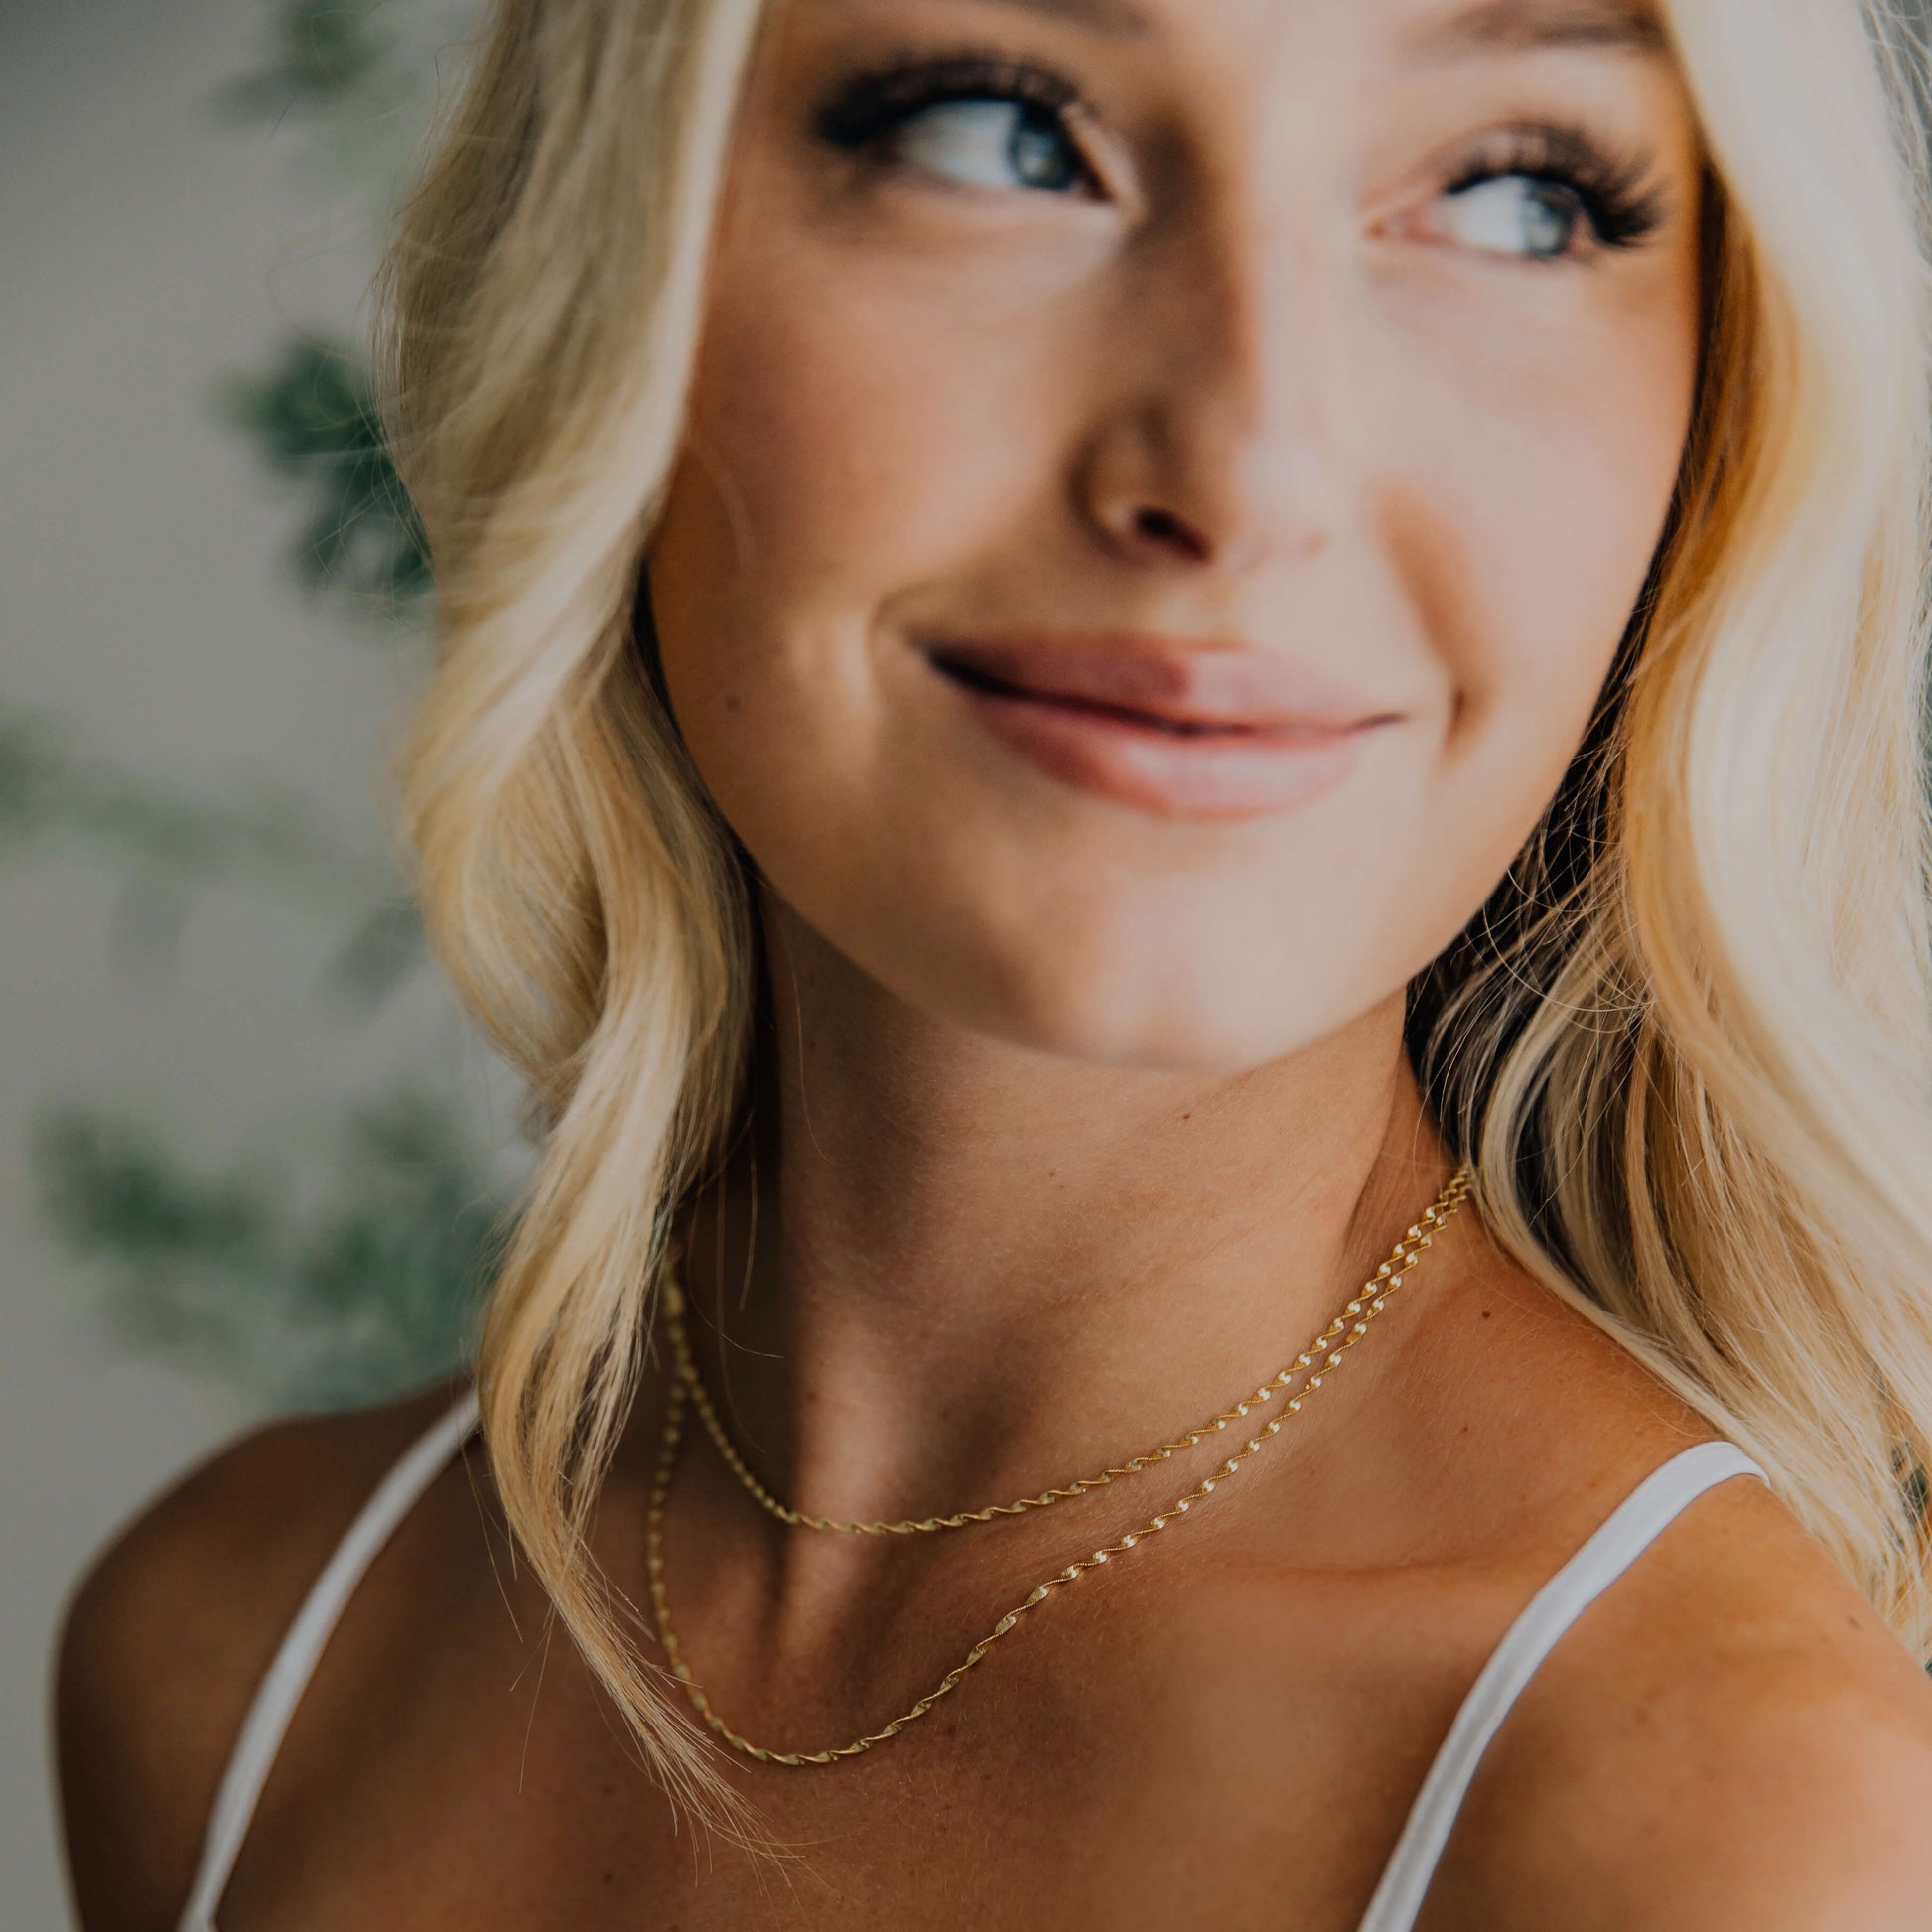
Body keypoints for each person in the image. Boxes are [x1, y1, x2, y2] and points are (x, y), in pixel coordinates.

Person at [52, 0, 1932, 1924]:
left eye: (1520, 193)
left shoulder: (1741, 1838)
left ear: (1723, 397)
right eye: (1000, 135)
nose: (1242, 468)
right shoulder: (236, 1657)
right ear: (616, 253)